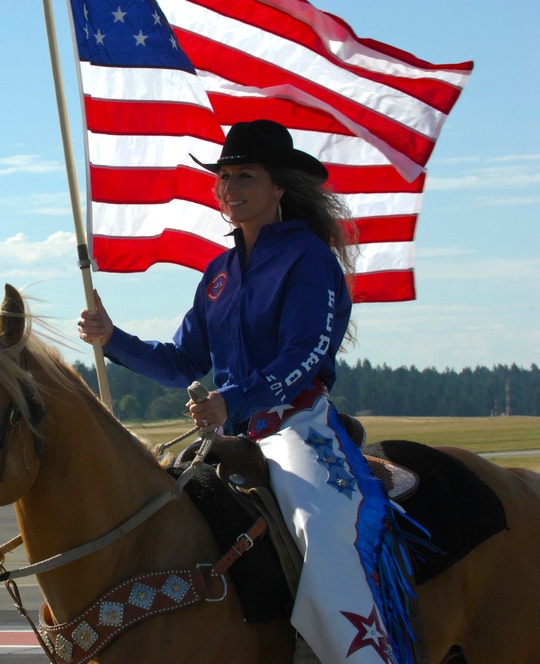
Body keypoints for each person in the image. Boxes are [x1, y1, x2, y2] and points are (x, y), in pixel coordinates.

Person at [78, 120, 416, 664]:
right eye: (225, 176)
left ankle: (359, 654)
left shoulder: (309, 258)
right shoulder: (218, 272)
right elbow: (184, 361)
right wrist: (114, 339)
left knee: (321, 527)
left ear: (278, 187)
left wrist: (232, 400)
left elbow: (305, 356)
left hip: (297, 428)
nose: (230, 188)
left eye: (245, 177)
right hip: (231, 435)